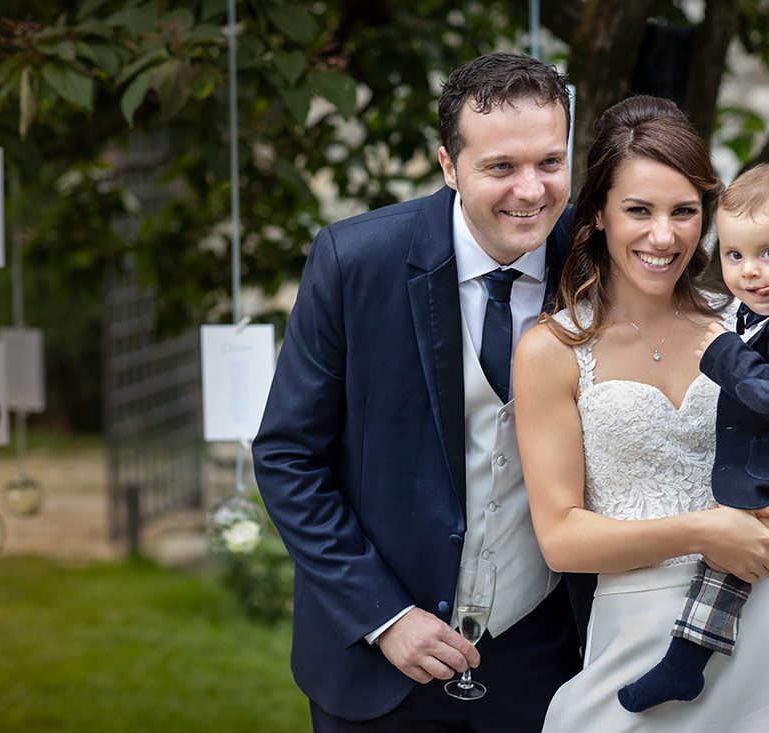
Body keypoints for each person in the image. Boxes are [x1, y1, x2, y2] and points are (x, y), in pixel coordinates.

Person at [514, 96, 769, 731]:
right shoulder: (552, 349)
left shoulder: (753, 323)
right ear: (598, 213)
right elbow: (562, 539)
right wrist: (706, 532)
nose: (665, 235)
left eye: (684, 212)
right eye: (638, 210)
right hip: (640, 635)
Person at [252, 52, 591, 732]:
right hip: (378, 662)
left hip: (546, 658)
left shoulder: (598, 262)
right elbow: (289, 455)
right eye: (501, 167)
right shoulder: (356, 260)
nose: (531, 191)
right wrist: (383, 615)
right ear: (447, 165)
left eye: (550, 162)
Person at [617, 163, 769, 714]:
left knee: (732, 547)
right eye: (734, 256)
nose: (749, 272)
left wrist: (720, 350)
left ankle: (686, 662)